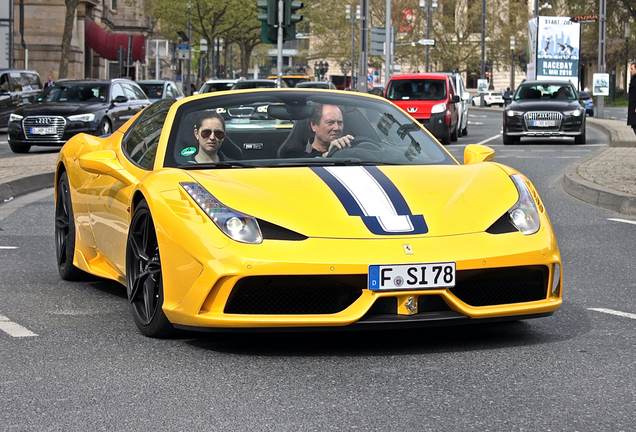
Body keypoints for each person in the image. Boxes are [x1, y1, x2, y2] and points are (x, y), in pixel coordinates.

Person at [283, 103, 354, 158]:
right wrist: (327, 156)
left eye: (340, 122)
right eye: (330, 122)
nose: (336, 128)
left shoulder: (350, 151)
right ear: (313, 125)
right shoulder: (294, 155)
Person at [628, 62, 636, 137]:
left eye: (632, 69)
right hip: (632, 107)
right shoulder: (633, 79)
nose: (630, 70)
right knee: (634, 125)